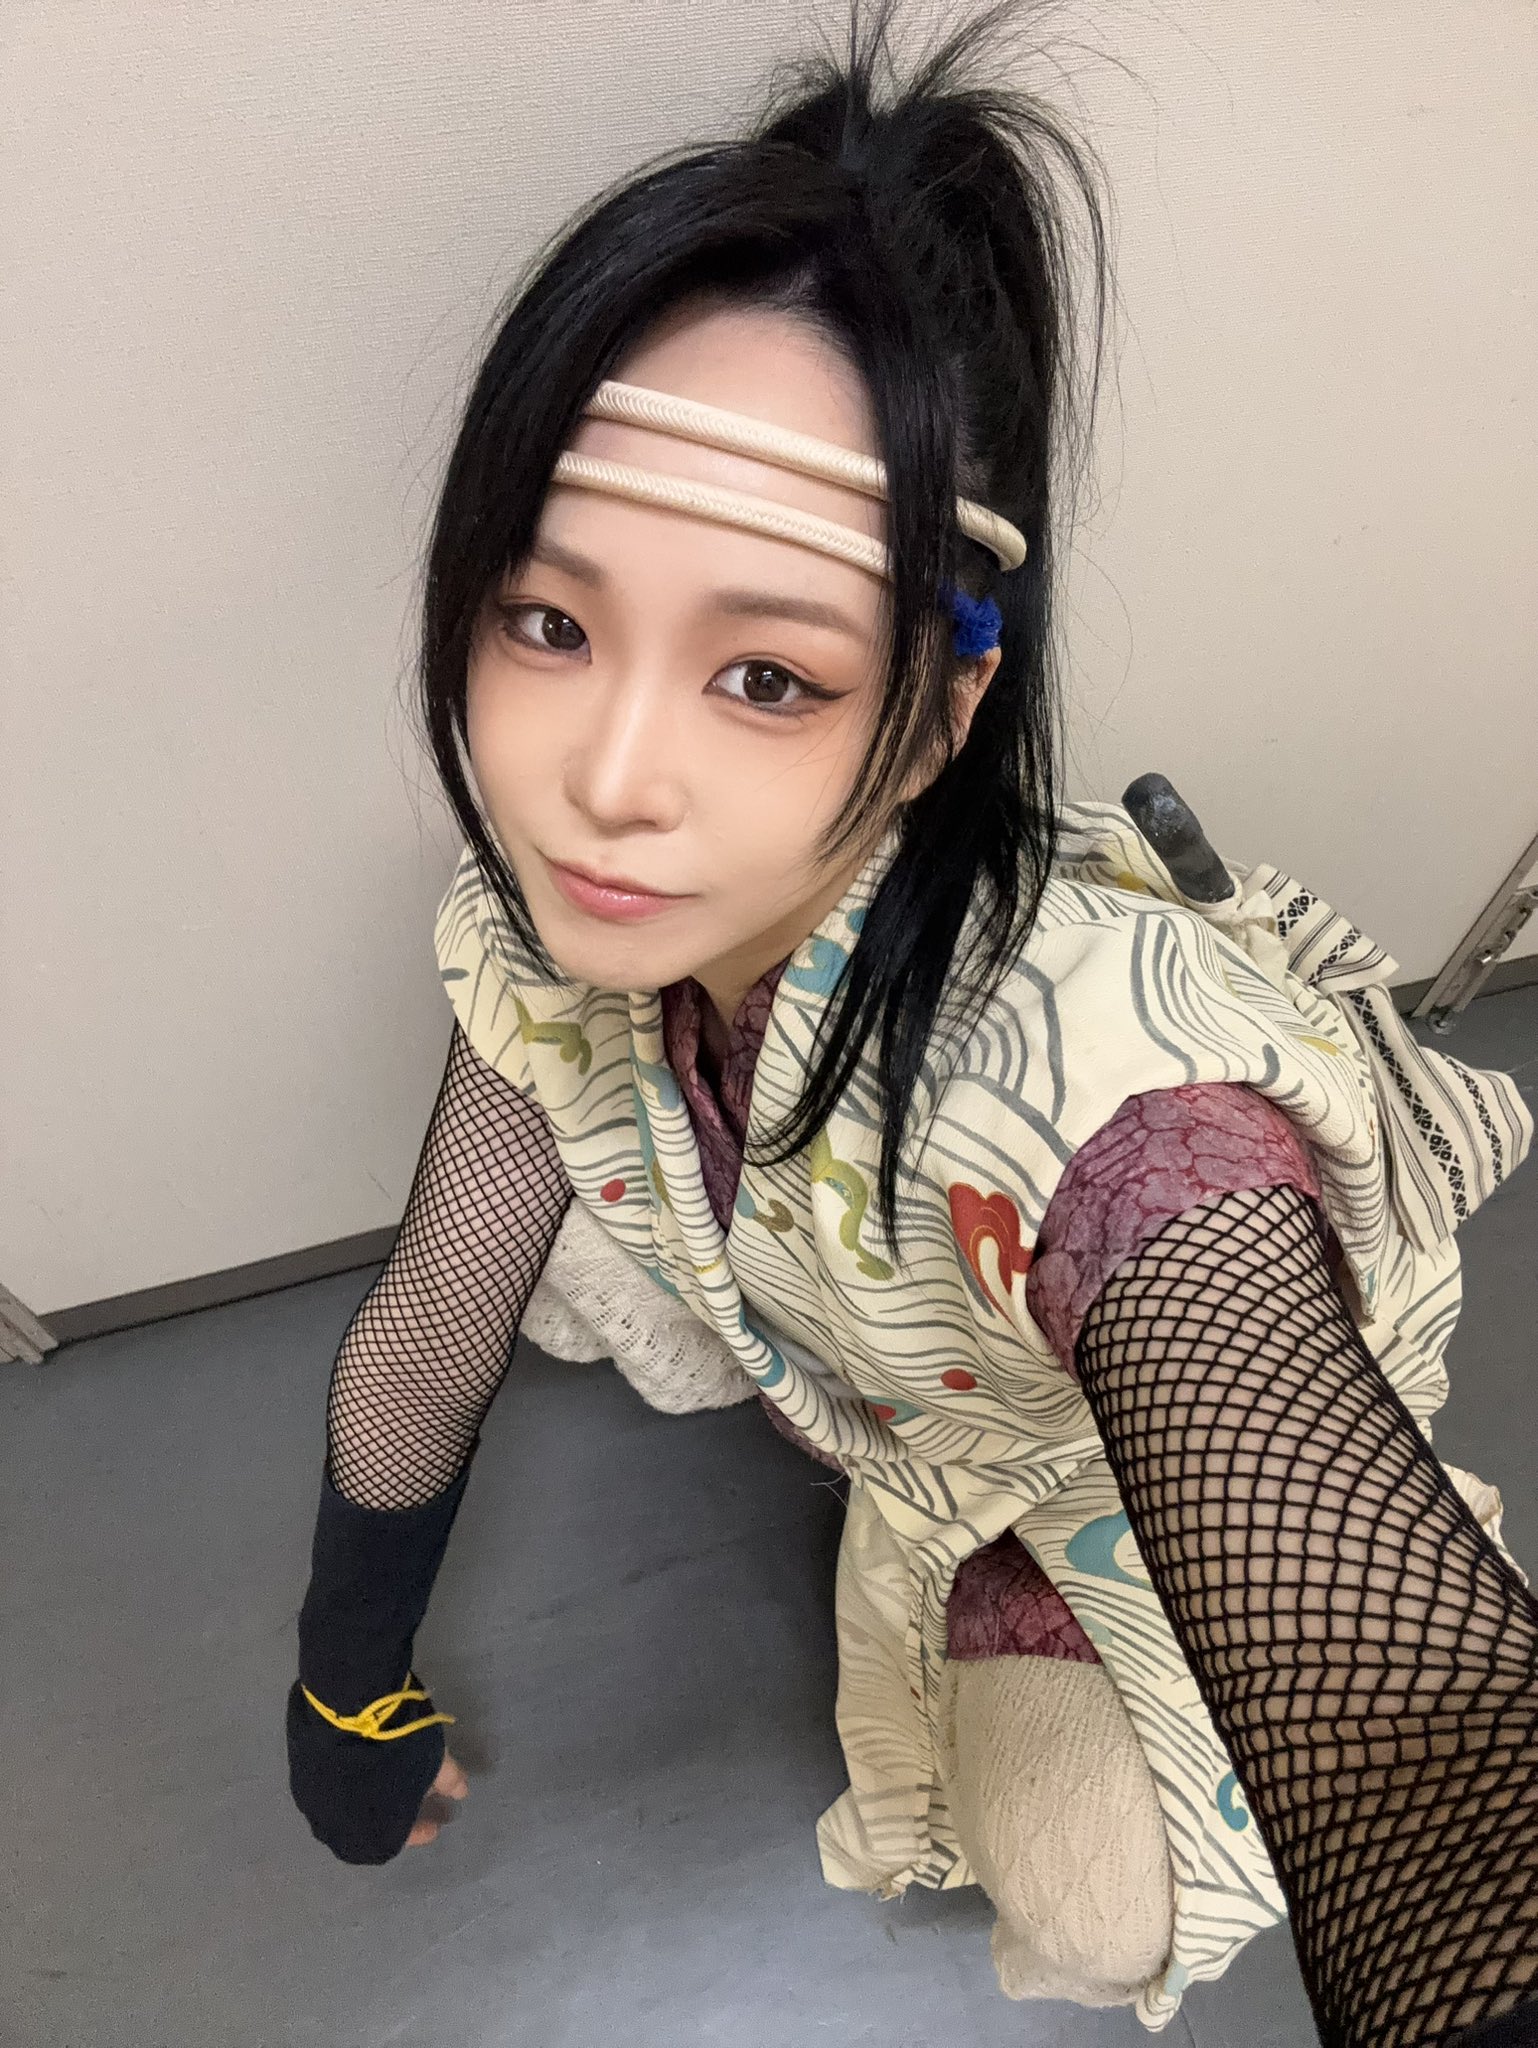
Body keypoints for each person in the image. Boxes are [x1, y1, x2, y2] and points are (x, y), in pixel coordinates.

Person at [284, 5, 1538, 2041]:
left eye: (766, 675)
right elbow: (435, 1311)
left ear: (943, 710)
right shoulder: (554, 936)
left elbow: (1415, 1733)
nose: (602, 781)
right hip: (879, 1356)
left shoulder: (1119, 1105)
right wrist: (344, 1686)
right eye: (547, 618)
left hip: (1088, 1443)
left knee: (1092, 1896)